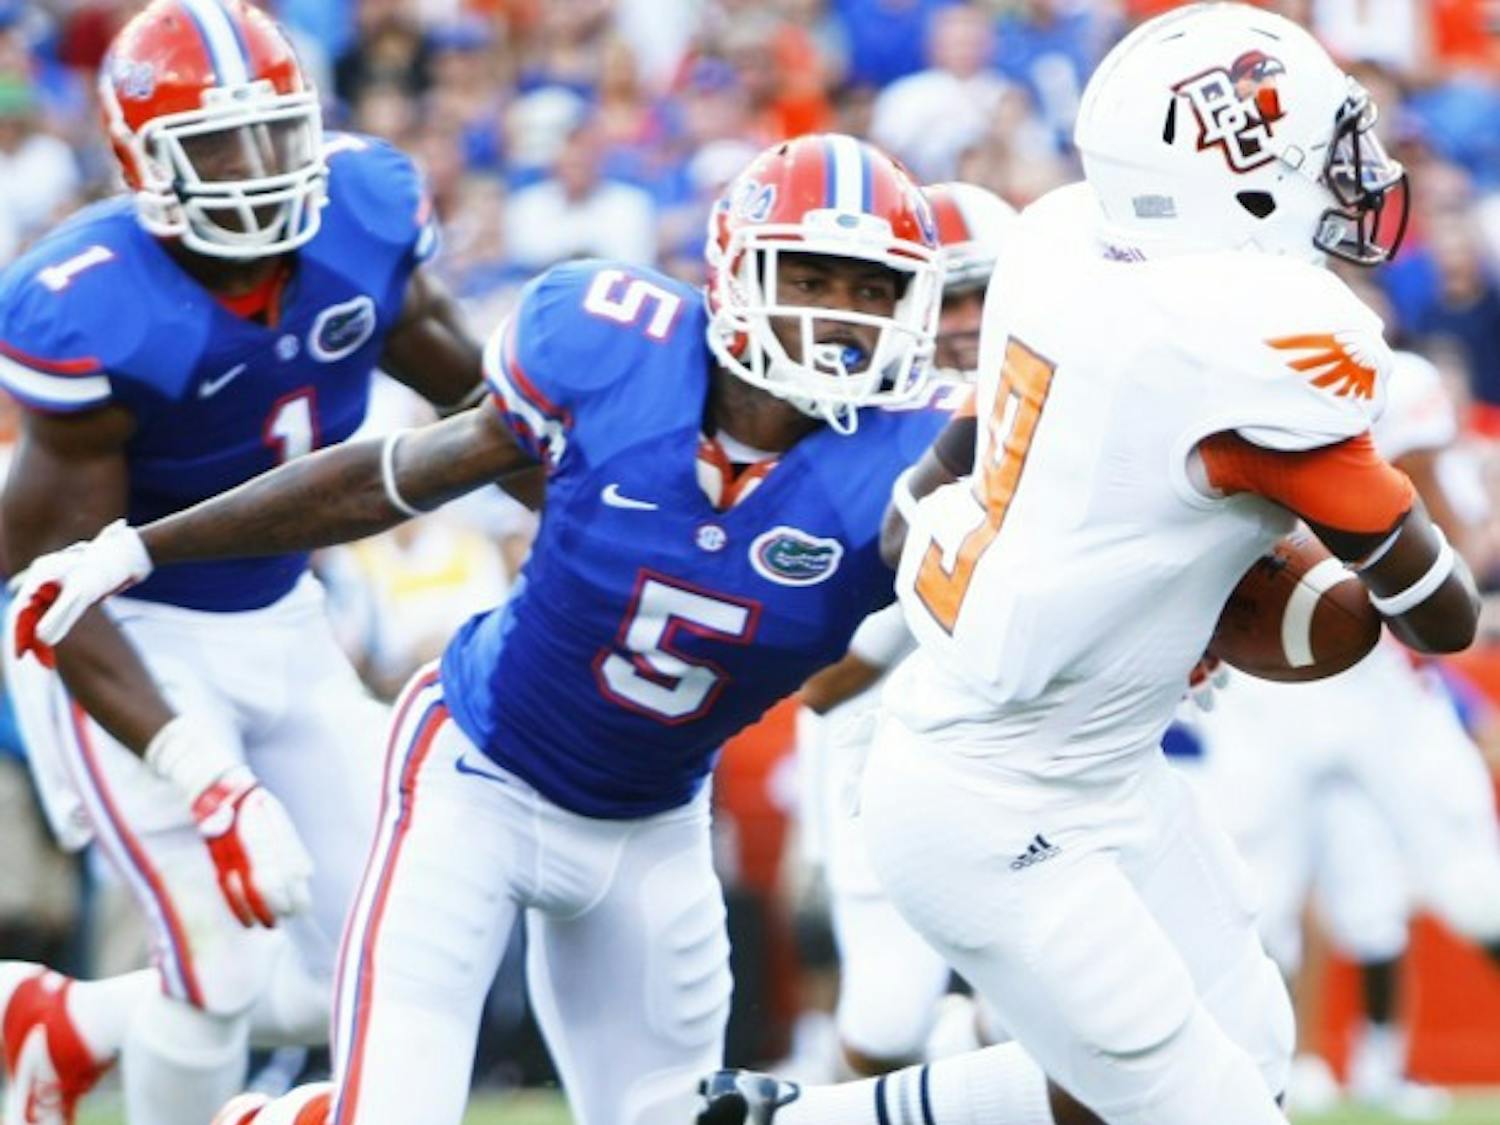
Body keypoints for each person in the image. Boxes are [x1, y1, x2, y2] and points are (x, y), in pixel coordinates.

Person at [9, 132, 955, 1125]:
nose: (841, 315)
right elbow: (390, 478)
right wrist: (141, 548)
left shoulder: (912, 466)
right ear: (734, 272)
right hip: (475, 777)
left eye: (874, 289)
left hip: (652, 826)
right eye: (810, 277)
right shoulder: (613, 349)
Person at [699, 4, 1478, 1123]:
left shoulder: (1066, 244)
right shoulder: (1257, 354)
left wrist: (1156, 584)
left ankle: (794, 1119)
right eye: (1323, 154)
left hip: (1092, 764)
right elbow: (1440, 615)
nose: (1353, 178)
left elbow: (929, 490)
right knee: (1205, 1107)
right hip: (998, 797)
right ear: (1236, 180)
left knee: (1242, 1053)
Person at [0, 2, 486, 1124]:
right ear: (142, 160)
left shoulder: (364, 214)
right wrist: (202, 776)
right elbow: (53, 583)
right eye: (217, 145)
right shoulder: (95, 304)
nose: (257, 168)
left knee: (395, 942)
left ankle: (69, 1026)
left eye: (274, 132)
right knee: (215, 965)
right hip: (121, 633)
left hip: (285, 616)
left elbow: (485, 411)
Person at [1190, 346, 1500, 1119]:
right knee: (1253, 899)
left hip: (1373, 672)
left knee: (1466, 887)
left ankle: (1372, 1068)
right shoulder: (1221, 368)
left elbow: (1452, 558)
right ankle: (1257, 1084)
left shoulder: (1399, 382)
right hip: (1266, 683)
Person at [796, 180, 1012, 1080]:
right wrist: (939, 597)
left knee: (1042, 1010)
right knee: (886, 1021)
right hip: (876, 736)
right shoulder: (843, 424)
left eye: (982, 295)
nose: (966, 324)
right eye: (946, 300)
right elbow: (824, 680)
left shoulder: (1056, 413)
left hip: (1024, 738)